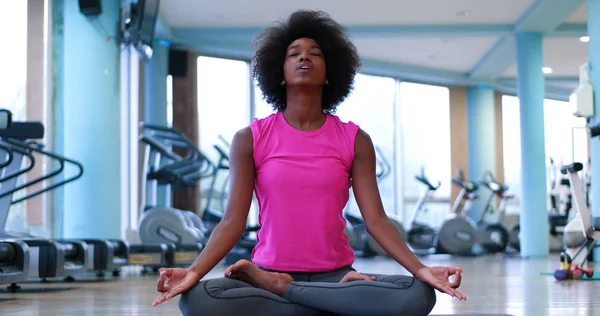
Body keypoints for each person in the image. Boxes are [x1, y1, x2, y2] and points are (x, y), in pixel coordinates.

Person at [152, 10, 466, 316]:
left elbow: (377, 221)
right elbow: (231, 222)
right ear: (280, 70)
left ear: (330, 73)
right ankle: (327, 303)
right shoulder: (250, 138)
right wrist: (194, 272)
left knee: (417, 296)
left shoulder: (354, 140)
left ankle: (285, 291)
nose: (305, 57)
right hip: (269, 270)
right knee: (199, 299)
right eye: (294, 53)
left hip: (337, 276)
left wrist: (422, 270)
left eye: (315, 53)